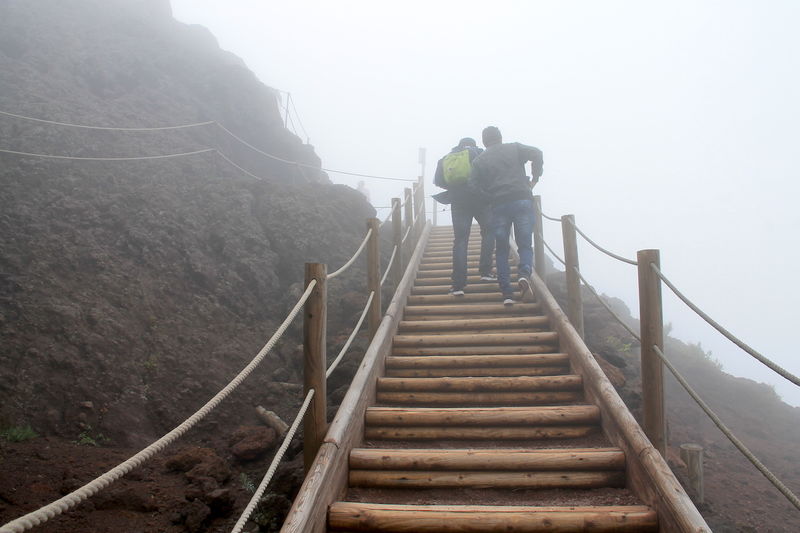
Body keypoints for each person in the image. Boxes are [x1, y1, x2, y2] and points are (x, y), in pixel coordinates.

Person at [470, 126, 543, 306]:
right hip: (522, 199)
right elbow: (537, 153)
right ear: (500, 137)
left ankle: (507, 294)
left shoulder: (479, 160)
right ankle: (524, 274)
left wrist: (489, 197)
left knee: (502, 250)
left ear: (484, 141)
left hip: (499, 205)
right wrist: (535, 178)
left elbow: (473, 185)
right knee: (525, 245)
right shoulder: (515, 148)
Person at [433, 137, 495, 297]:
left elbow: (438, 180)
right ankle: (486, 271)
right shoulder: (478, 153)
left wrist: (456, 186)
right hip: (481, 198)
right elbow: (490, 173)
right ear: (473, 144)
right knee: (489, 232)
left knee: (461, 240)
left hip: (458, 200)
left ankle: (458, 284)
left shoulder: (447, 158)